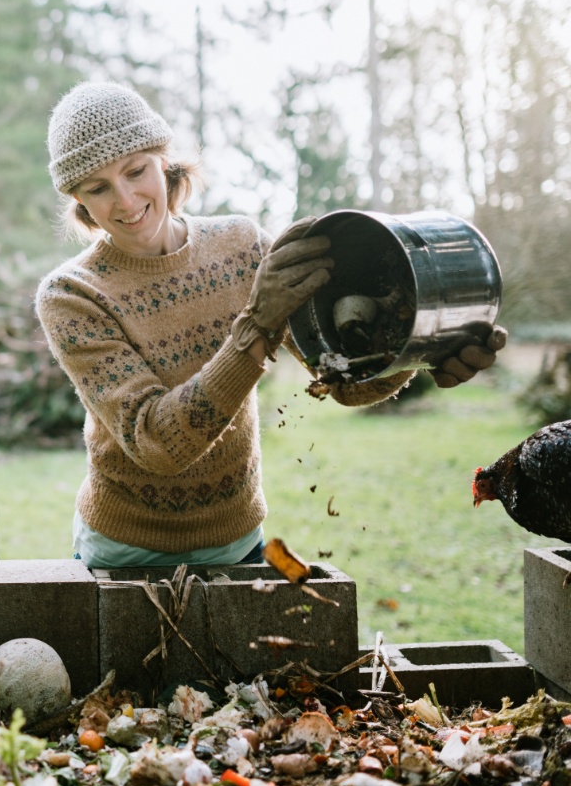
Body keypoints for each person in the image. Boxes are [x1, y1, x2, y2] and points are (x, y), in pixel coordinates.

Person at [35, 81, 506, 568]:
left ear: (163, 160)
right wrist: (257, 324)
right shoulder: (72, 295)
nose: (127, 199)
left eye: (136, 171)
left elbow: (340, 379)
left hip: (238, 541)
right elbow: (157, 442)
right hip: (123, 551)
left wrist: (410, 348)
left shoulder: (243, 247)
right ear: (78, 200)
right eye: (98, 187)